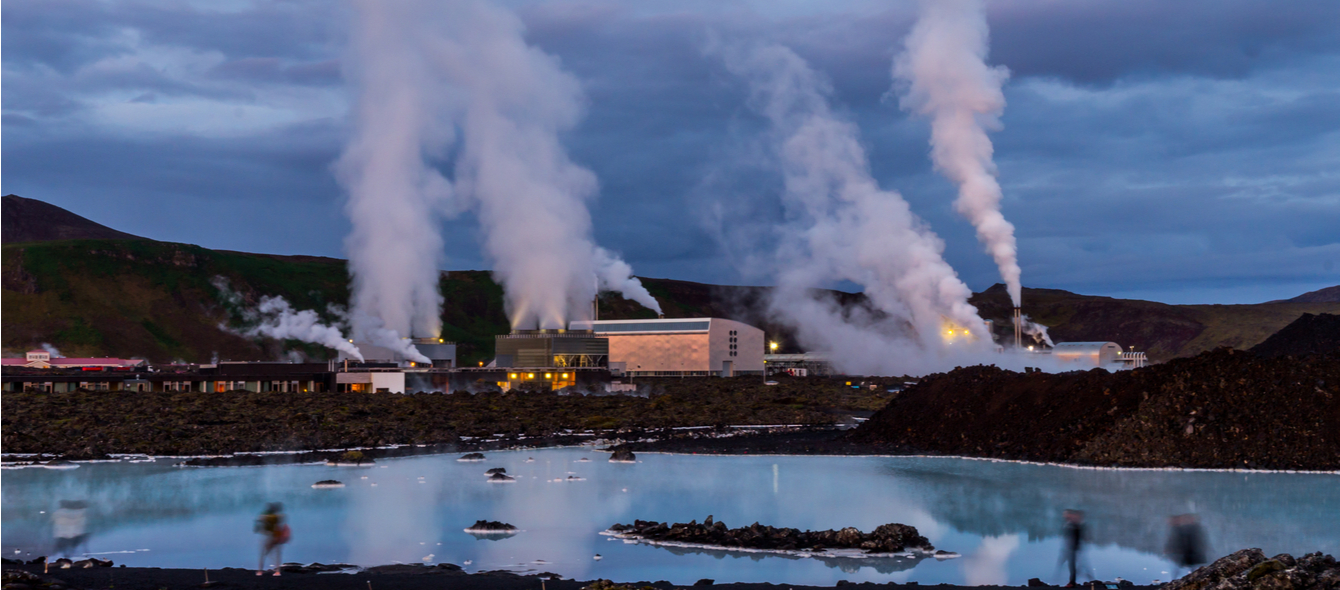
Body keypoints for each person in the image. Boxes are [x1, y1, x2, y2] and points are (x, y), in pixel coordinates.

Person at [255, 503, 290, 575]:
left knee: (263, 553)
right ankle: (277, 571)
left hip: (268, 535)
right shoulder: (279, 516)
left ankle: (260, 571)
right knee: (276, 554)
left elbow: (259, 524)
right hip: (276, 536)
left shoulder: (266, 516)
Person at [1059, 509, 1086, 587]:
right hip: (1070, 548)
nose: (1065, 516)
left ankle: (1072, 582)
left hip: (1072, 548)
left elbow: (1077, 536)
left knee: (1072, 565)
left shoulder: (1074, 525)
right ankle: (1072, 581)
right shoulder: (1070, 524)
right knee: (1072, 565)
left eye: (1066, 514)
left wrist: (1074, 546)